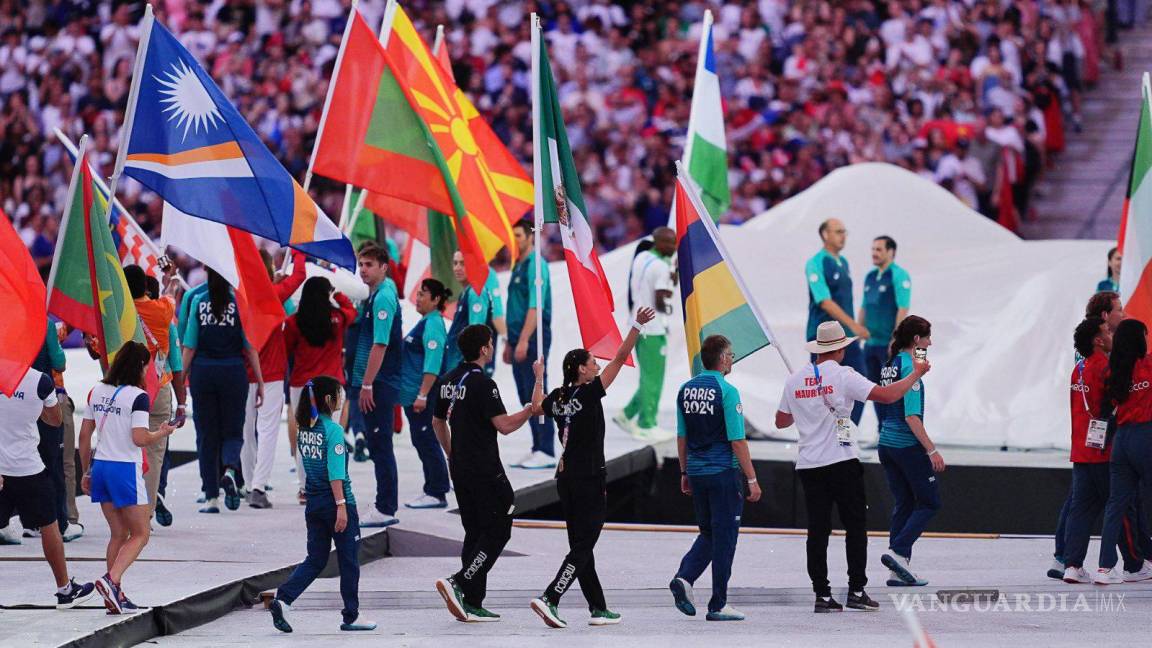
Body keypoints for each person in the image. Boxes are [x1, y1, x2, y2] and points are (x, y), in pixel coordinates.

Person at [775, 321, 929, 613]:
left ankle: (822, 595)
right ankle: (856, 589)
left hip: (809, 464)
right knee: (855, 528)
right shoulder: (844, 375)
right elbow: (887, 396)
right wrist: (916, 374)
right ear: (841, 349)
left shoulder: (794, 379)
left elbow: (781, 421)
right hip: (842, 460)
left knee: (817, 532)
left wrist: (804, 405)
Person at [529, 306, 656, 629]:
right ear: (582, 371)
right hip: (588, 478)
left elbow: (534, 406)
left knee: (579, 544)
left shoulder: (558, 396)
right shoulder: (590, 393)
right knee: (586, 542)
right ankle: (551, 598)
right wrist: (636, 325)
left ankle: (598, 607)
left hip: (565, 478)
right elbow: (620, 357)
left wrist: (539, 378)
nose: (598, 365)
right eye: (592, 363)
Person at [433, 325, 545, 622]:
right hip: (485, 469)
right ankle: (460, 582)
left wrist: (450, 453)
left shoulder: (447, 380)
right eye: (491, 343)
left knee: (475, 532)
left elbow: (437, 422)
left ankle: (471, 602)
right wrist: (528, 411)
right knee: (499, 527)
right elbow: (505, 426)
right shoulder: (484, 384)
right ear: (484, 349)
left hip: (460, 469)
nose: (492, 347)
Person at [270, 376, 377, 633]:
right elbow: (336, 472)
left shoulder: (305, 428)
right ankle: (351, 615)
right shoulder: (334, 431)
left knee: (316, 558)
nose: (342, 400)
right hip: (337, 502)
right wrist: (341, 505)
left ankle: (284, 599)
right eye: (339, 396)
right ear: (329, 400)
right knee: (349, 560)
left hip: (314, 502)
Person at [667, 335, 762, 622]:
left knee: (708, 532)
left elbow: (682, 436)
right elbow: (737, 441)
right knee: (725, 537)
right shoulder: (727, 391)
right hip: (723, 473)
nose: (732, 359)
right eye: (731, 355)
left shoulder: (685, 389)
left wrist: (684, 472)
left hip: (696, 471)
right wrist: (752, 479)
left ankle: (684, 578)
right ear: (721, 359)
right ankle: (718, 603)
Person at [79, 341, 176, 614]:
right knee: (141, 533)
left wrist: (87, 470)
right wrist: (162, 432)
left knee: (118, 533)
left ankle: (114, 595)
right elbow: (139, 438)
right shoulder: (138, 396)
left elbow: (84, 436)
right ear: (141, 366)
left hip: (101, 467)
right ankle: (111, 580)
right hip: (125, 469)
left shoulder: (96, 391)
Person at [1061, 317, 1152, 583]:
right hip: (1109, 447)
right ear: (1098, 340)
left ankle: (1074, 565)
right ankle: (1134, 565)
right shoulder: (1107, 367)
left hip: (1082, 447)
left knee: (1081, 509)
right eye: (1107, 331)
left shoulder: (1078, 368)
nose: (1112, 334)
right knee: (1126, 510)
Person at [0, 365, 96, 608]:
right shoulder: (39, 381)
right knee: (49, 525)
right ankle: (65, 590)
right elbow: (55, 420)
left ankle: (65, 589)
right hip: (28, 467)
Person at [182, 269, 265, 514]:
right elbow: (250, 348)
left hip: (203, 373)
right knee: (233, 431)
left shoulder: (198, 302)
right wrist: (259, 382)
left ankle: (211, 498)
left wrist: (180, 381)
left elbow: (189, 347)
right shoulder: (239, 304)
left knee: (207, 436)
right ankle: (229, 469)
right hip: (233, 372)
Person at [876, 316, 943, 587]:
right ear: (917, 340)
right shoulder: (910, 369)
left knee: (904, 502)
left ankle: (898, 571)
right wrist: (932, 451)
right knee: (929, 502)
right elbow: (912, 416)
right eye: (927, 337)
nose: (930, 342)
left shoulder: (890, 364)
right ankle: (898, 552)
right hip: (906, 446)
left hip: (886, 443)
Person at [241, 250, 307, 509]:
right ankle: (258, 486)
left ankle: (248, 485)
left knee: (246, 431)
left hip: (243, 372)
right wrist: (299, 249)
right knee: (267, 431)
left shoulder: (241, 297)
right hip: (271, 373)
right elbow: (300, 274)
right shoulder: (275, 295)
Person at [124, 265, 188, 522]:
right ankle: (145, 516)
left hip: (124, 390)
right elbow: (171, 294)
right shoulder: (162, 311)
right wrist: (170, 278)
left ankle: (125, 512)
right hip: (157, 389)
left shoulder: (118, 313)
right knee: (153, 455)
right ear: (146, 288)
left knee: (124, 452)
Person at [348, 243, 403, 528]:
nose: (363, 270)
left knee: (380, 444)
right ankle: (385, 502)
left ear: (384, 267)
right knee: (378, 443)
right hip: (377, 380)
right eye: (361, 264)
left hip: (379, 381)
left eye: (369, 265)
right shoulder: (378, 293)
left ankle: (385, 506)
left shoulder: (383, 298)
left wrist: (367, 384)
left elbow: (380, 344)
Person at [1095, 318, 1152, 584]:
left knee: (1115, 505)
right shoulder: (1149, 364)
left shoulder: (1112, 371)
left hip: (1121, 441)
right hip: (1146, 437)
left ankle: (1104, 568)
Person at [805, 219, 869, 424]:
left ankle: (847, 432)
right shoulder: (816, 262)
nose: (843, 236)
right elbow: (824, 301)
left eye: (844, 231)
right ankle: (825, 434)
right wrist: (853, 324)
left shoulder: (844, 262)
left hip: (846, 336)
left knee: (860, 380)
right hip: (823, 336)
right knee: (824, 388)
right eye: (838, 231)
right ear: (825, 234)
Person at [615, 227, 676, 440]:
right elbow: (660, 300)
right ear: (658, 243)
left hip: (638, 325)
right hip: (654, 327)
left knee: (647, 377)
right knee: (653, 379)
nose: (673, 247)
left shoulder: (642, 256)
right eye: (669, 243)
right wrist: (669, 306)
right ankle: (646, 424)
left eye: (674, 242)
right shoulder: (660, 267)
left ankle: (627, 414)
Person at [505, 219, 556, 470]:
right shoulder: (519, 266)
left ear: (529, 237)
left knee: (537, 390)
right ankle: (537, 446)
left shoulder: (536, 266)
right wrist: (509, 341)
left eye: (518, 236)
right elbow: (513, 305)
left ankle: (547, 449)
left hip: (534, 336)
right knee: (525, 394)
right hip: (517, 337)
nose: (514, 241)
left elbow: (535, 307)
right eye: (512, 236)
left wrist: (524, 339)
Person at [399, 278, 452, 509]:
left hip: (424, 394)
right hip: (414, 393)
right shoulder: (425, 322)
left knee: (427, 440)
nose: (418, 298)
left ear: (436, 300)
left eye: (423, 294)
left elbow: (433, 363)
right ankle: (434, 485)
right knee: (422, 440)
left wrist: (422, 395)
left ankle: (437, 491)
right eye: (418, 293)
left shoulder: (432, 324)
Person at [858, 236, 911, 427]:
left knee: (890, 390)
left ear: (891, 252)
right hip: (870, 344)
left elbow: (903, 308)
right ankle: (882, 431)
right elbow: (864, 306)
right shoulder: (870, 276)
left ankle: (893, 432)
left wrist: (896, 339)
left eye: (879, 249)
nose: (874, 253)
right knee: (873, 390)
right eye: (873, 249)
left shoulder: (898, 275)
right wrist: (857, 332)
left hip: (887, 345)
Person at [444, 251, 507, 377]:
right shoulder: (466, 292)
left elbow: (475, 337)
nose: (457, 267)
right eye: (455, 263)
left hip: (465, 370)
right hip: (458, 366)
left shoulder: (476, 293)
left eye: (463, 264)